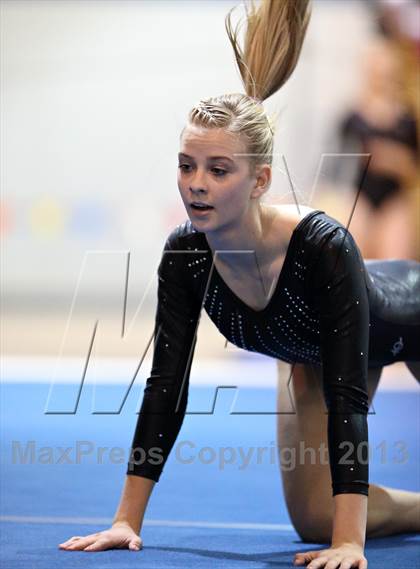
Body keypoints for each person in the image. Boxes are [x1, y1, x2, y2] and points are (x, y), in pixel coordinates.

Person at [59, 1, 420, 567]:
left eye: (218, 170)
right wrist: (126, 520)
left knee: (337, 523)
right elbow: (165, 386)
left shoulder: (320, 245)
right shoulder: (185, 254)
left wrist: (350, 543)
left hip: (406, 316)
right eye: (186, 165)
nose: (196, 186)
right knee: (312, 520)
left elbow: (349, 396)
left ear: (261, 180)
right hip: (318, 350)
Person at [337, 38, 418, 259]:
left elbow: (414, 170)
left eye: (386, 71)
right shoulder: (353, 118)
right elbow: (335, 167)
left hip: (393, 200)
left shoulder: (407, 120)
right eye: (375, 70)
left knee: (394, 261)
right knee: (357, 259)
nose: (380, 77)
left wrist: (396, 161)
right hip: (360, 198)